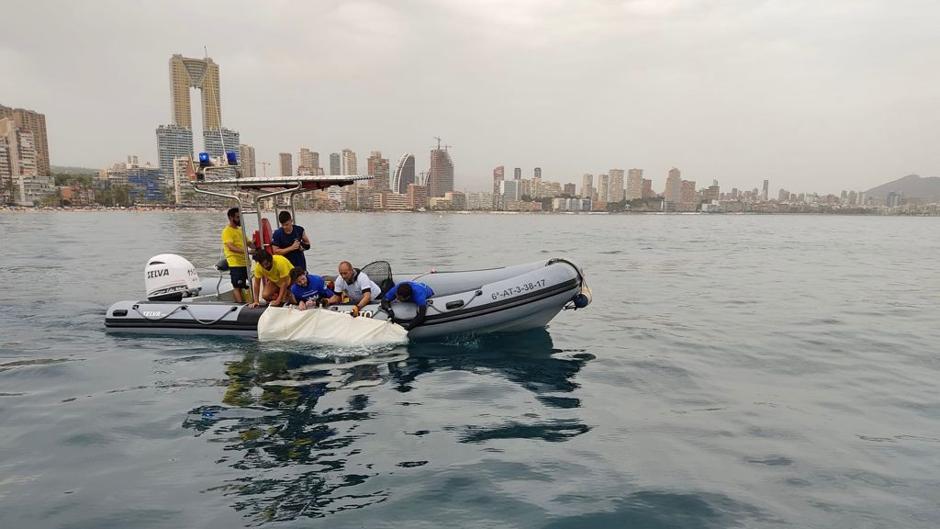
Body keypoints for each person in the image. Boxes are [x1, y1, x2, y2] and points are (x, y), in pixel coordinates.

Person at [221, 207, 253, 303]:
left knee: (251, 282)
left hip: (246, 262)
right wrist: (246, 251)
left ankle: (253, 301)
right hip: (235, 263)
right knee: (237, 286)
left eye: (240, 217)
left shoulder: (240, 230)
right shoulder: (227, 231)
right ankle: (240, 305)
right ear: (231, 218)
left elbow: (248, 243)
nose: (240, 220)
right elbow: (231, 247)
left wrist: (255, 244)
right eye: (238, 217)